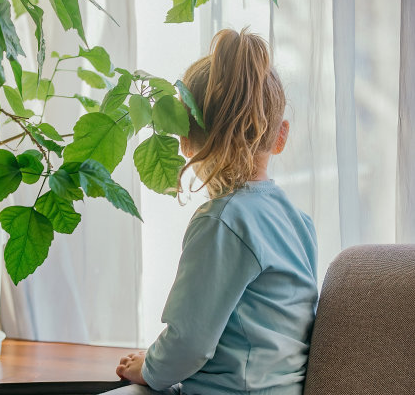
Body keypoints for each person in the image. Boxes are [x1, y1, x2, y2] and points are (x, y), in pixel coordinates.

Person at [104, 28, 319, 395]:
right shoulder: (299, 222)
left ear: (185, 138)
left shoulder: (222, 221)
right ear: (280, 136)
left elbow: (190, 340)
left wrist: (151, 367)